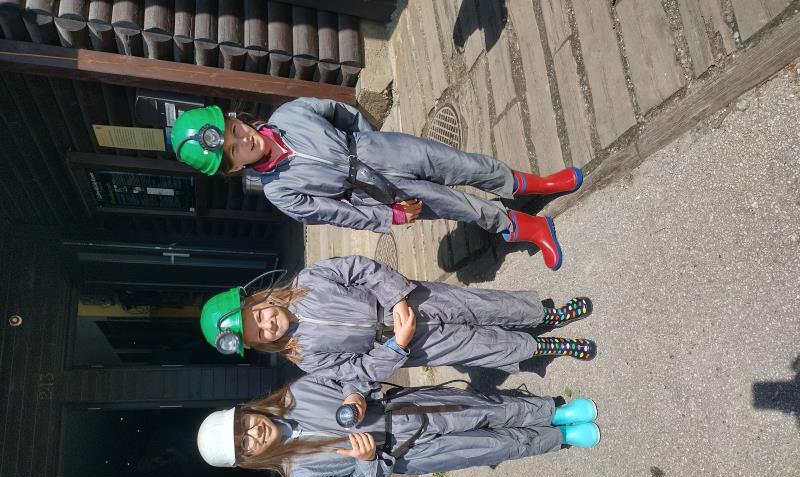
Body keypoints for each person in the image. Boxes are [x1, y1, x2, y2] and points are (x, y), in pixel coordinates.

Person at [170, 99, 585, 271]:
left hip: (381, 149)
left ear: (235, 118)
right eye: (234, 150)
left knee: (464, 165)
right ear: (233, 168)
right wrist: (389, 215)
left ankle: (537, 185)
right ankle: (526, 227)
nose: (243, 140)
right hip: (374, 193)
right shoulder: (278, 190)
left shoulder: (288, 115)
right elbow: (336, 212)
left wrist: (371, 140)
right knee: (457, 205)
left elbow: (339, 111)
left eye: (235, 130)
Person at [196, 376, 601, 477]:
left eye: (244, 425)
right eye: (244, 445)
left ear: (247, 411)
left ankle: (553, 411)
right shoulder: (300, 476)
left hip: (408, 410)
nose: (253, 434)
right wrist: (366, 462)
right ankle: (559, 437)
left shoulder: (298, 393)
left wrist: (355, 395)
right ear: (247, 459)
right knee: (493, 446)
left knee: (489, 410)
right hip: (408, 455)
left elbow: (350, 375)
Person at [201, 255, 596, 382]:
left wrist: (395, 298)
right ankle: (545, 346)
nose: (267, 325)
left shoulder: (310, 280)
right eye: (259, 334)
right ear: (260, 344)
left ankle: (546, 313)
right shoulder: (305, 358)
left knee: (484, 305)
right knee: (481, 346)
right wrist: (396, 346)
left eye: (259, 317)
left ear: (258, 301)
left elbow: (360, 268)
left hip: (411, 301)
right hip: (407, 344)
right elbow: (358, 371)